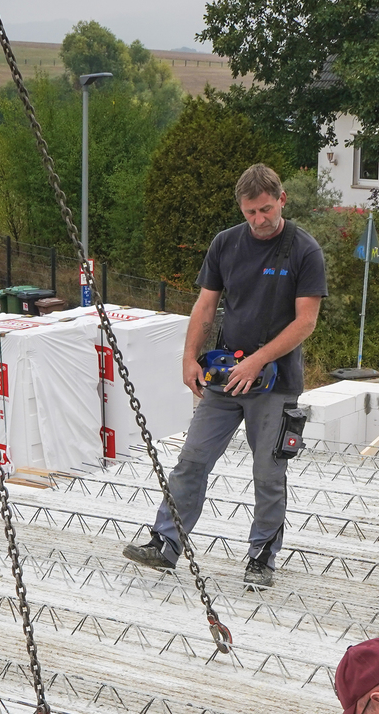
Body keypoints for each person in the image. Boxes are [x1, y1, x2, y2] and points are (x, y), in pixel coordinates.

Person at [122, 163, 326, 589]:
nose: (259, 220)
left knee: (268, 472)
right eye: (250, 212)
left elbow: (306, 321)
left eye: (266, 210)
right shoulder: (225, 244)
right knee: (192, 459)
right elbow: (205, 306)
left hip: (275, 382)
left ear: (282, 200)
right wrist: (188, 358)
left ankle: (262, 558)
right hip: (224, 377)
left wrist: (258, 360)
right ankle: (166, 543)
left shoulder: (304, 251)